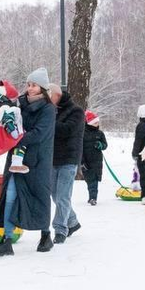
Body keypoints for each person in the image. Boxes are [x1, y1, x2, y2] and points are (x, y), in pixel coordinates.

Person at [0, 68, 56, 257]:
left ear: (42, 88)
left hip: (38, 160)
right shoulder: (19, 103)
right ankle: (7, 239)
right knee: (10, 194)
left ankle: (45, 235)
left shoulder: (48, 109)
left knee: (40, 196)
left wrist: (16, 137)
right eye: (28, 84)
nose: (29, 88)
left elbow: (40, 133)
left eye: (34, 85)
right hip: (16, 158)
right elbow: (5, 111)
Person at [49, 81, 85, 242]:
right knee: (55, 196)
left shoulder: (76, 112)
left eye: (48, 97)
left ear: (56, 95)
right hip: (52, 158)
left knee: (63, 196)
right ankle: (72, 221)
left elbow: (66, 130)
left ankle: (60, 230)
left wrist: (48, 121)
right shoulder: (51, 110)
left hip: (69, 159)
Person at [0, 80, 25, 171]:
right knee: (21, 144)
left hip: (1, 132)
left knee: (18, 145)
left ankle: (16, 163)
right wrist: (13, 130)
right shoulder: (8, 108)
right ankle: (17, 163)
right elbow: (8, 120)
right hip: (12, 132)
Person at [81, 111, 107, 206]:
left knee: (94, 180)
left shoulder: (100, 134)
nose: (97, 124)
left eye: (97, 122)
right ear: (89, 123)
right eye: (95, 122)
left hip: (97, 161)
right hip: (86, 161)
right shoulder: (82, 133)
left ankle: (93, 198)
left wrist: (100, 145)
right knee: (89, 180)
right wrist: (82, 162)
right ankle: (91, 196)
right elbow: (80, 148)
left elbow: (105, 145)